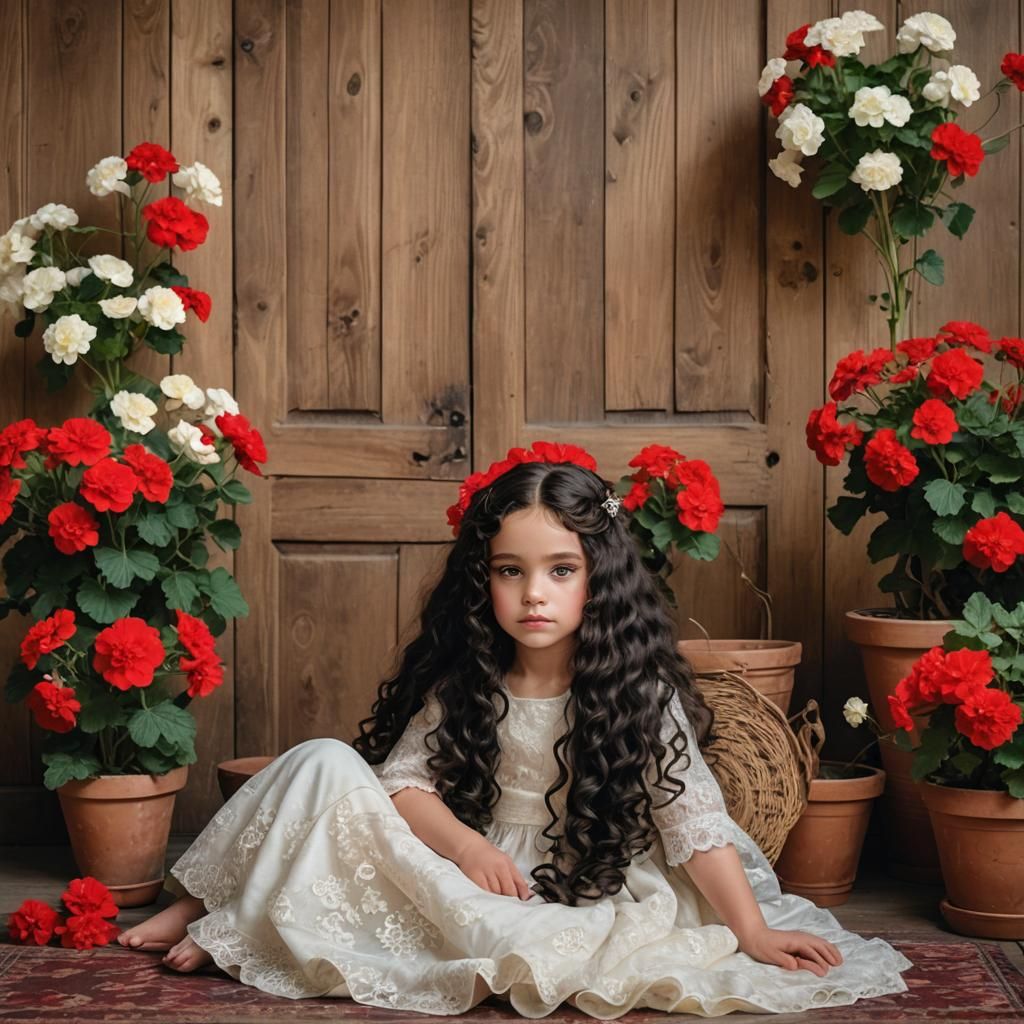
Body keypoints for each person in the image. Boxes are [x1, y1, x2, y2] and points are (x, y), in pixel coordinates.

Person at [118, 441, 912, 1016]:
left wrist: (751, 930)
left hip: (574, 879)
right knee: (321, 760)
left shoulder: (636, 693)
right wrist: (466, 847)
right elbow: (402, 785)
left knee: (508, 947)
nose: (535, 594)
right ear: (483, 578)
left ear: (598, 579)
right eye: (511, 571)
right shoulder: (471, 678)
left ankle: (242, 921)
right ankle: (206, 906)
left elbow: (694, 825)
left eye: (560, 570)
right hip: (473, 859)